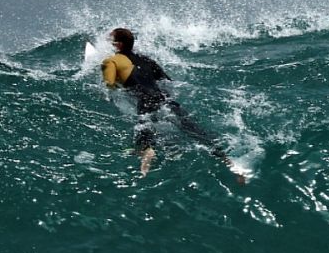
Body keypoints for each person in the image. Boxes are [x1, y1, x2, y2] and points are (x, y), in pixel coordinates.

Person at [102, 27, 246, 183]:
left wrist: (119, 82)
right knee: (194, 131)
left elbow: (109, 85)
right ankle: (230, 162)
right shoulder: (147, 60)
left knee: (144, 137)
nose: (109, 42)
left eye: (111, 40)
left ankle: (146, 155)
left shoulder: (111, 61)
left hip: (145, 100)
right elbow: (167, 82)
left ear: (119, 45)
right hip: (165, 99)